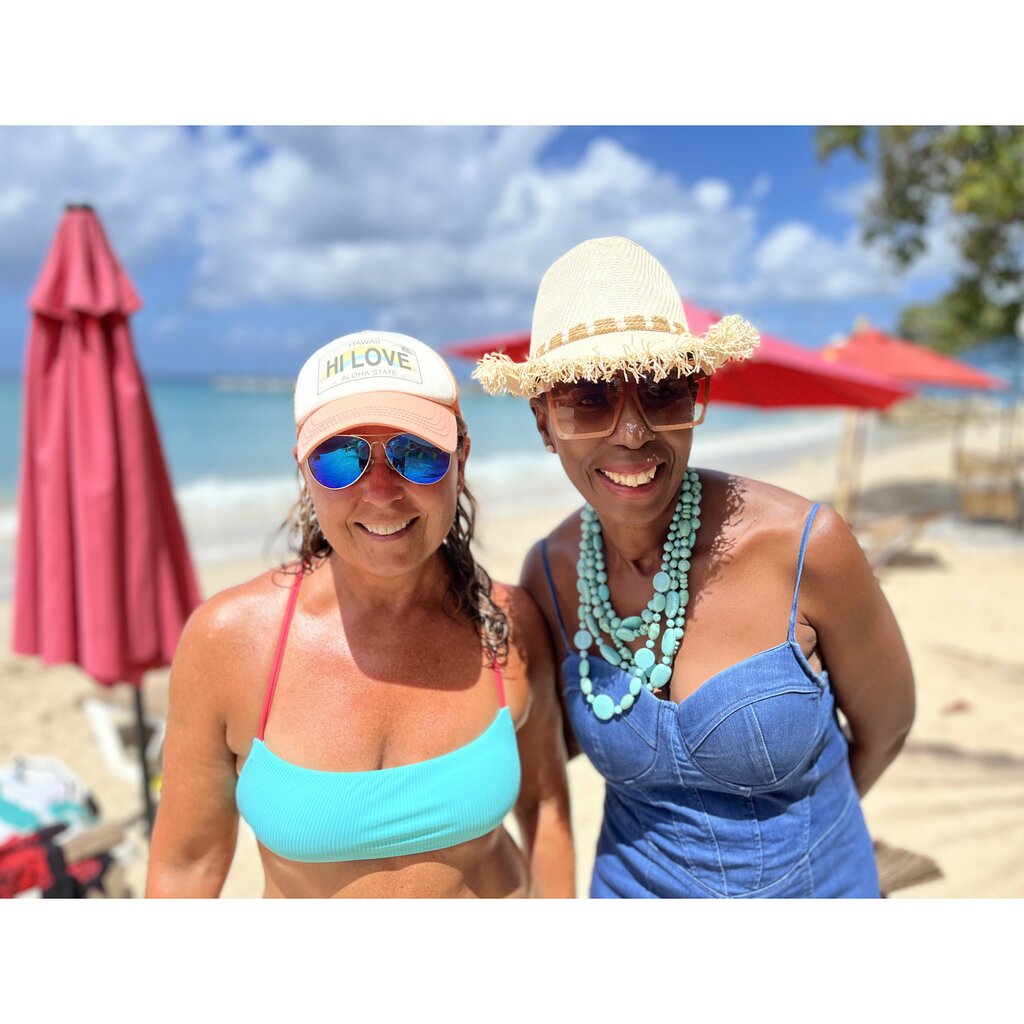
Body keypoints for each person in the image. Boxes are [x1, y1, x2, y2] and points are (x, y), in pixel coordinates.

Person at [476, 237, 915, 898]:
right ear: (543, 422)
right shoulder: (551, 574)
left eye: (663, 391)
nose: (632, 432)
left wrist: (801, 849)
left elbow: (887, 727)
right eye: (587, 399)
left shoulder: (803, 547)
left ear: (697, 396)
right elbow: (532, 760)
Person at [146, 331, 573, 898]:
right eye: (341, 459)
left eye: (415, 454)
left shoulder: (508, 624)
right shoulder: (229, 641)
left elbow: (545, 809)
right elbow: (186, 867)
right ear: (304, 470)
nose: (380, 493)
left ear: (461, 458)